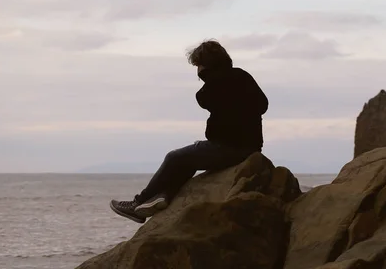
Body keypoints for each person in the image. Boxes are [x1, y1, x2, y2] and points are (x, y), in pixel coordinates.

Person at [109, 40, 269, 223]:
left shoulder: (209, 90)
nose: (197, 71)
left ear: (205, 65)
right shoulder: (242, 76)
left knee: (174, 157)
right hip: (252, 146)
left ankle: (138, 203)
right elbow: (263, 105)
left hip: (230, 148)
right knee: (189, 159)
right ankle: (163, 195)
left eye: (198, 66)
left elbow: (207, 104)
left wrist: (207, 76)